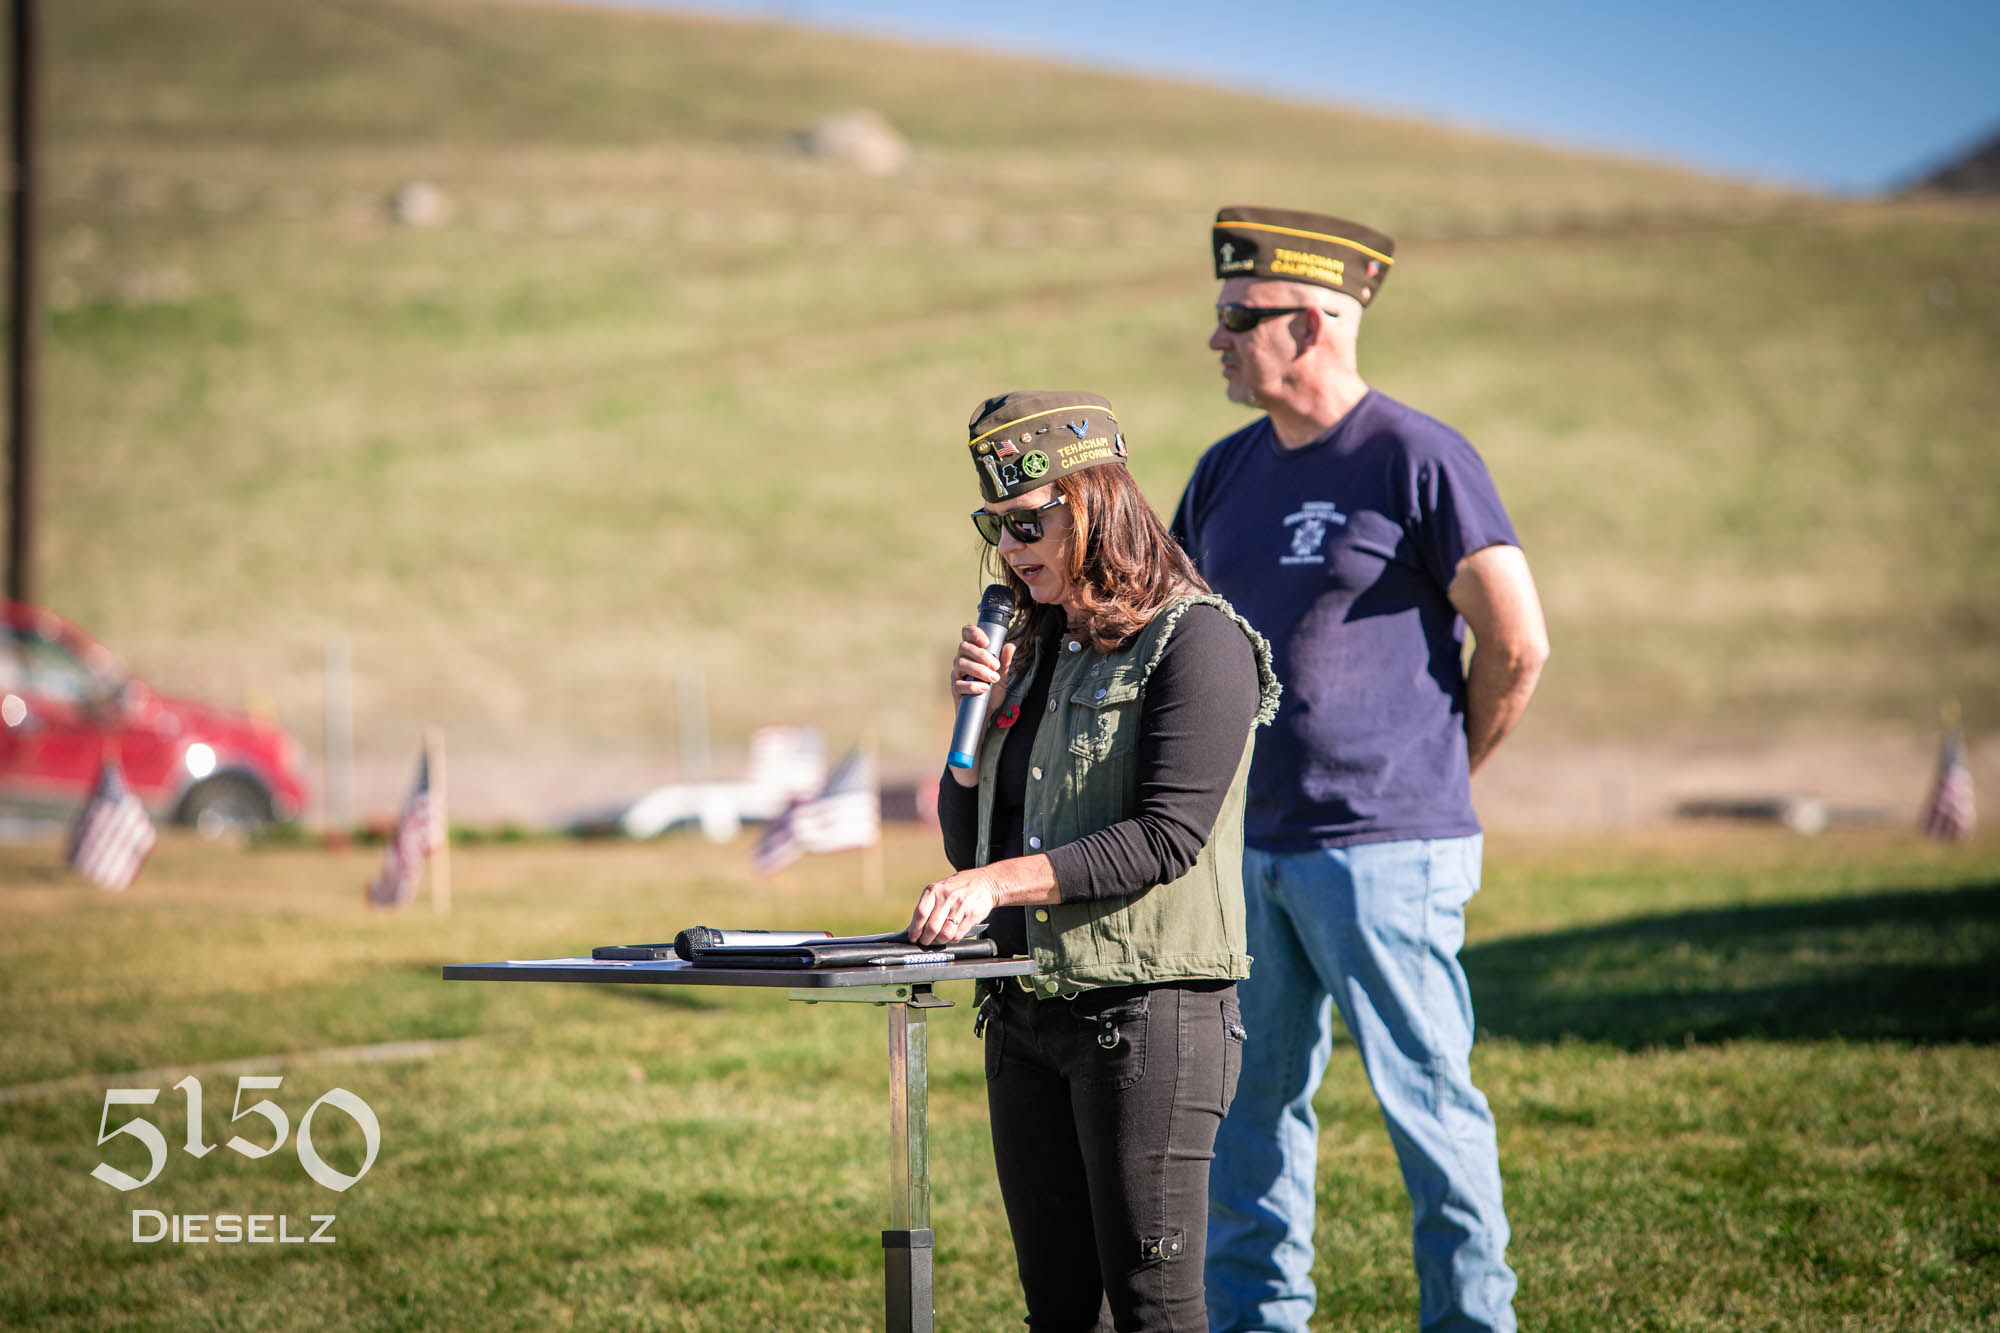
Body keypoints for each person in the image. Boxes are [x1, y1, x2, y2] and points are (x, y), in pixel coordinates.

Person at [1175, 208, 1550, 1333]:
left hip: (1389, 847)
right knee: (1248, 1119)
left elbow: (1517, 641)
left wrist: (1441, 771)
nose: (1216, 339)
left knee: (1428, 1107)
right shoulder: (1223, 471)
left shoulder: (1417, 457)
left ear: (1309, 324)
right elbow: (1171, 635)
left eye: (1237, 318)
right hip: (1250, 847)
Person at [906, 388, 1282, 1332]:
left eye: (1027, 522)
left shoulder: (1198, 640)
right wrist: (969, 733)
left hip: (1148, 1018)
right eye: (993, 526)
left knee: (1154, 1311)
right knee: (1063, 1314)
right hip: (1025, 1014)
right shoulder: (1034, 649)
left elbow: (1167, 836)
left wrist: (993, 883)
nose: (1009, 548)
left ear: (1090, 502)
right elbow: (971, 842)